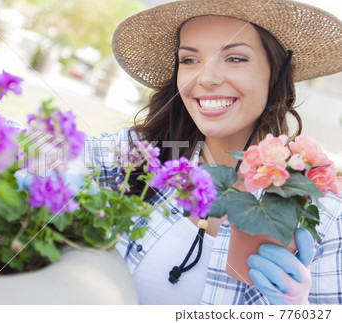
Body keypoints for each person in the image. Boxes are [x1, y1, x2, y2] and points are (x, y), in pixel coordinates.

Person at [84, 0, 342, 304]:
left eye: (235, 58)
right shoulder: (138, 157)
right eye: (190, 60)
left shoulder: (326, 217)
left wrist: (298, 310)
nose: (205, 78)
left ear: (276, 72)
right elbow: (33, 146)